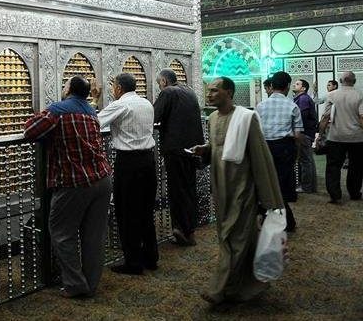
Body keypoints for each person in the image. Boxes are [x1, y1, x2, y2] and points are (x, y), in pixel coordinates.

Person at [191, 77, 285, 305]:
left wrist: (268, 198)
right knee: (232, 236)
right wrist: (205, 150)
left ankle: (220, 287)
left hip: (242, 188)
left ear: (229, 93)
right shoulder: (212, 118)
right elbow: (219, 148)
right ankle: (249, 284)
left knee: (236, 238)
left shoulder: (246, 118)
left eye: (215, 90)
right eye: (208, 90)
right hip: (221, 189)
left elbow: (260, 157)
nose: (209, 94)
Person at [24, 76, 112, 298]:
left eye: (65, 85)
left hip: (75, 181)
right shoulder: (91, 112)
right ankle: (90, 284)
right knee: (94, 235)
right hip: (102, 178)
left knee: (62, 232)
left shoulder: (58, 110)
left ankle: (75, 284)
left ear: (69, 89)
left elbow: (30, 130)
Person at [95, 73, 157, 275]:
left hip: (129, 164)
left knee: (127, 212)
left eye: (113, 86)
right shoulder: (146, 103)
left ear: (119, 88)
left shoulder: (120, 105)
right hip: (148, 160)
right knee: (146, 210)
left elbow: (94, 123)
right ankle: (151, 257)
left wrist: (95, 100)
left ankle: (133, 262)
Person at [153, 69, 204, 246]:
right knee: (189, 189)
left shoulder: (168, 92)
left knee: (177, 191)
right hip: (192, 149)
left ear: (164, 81)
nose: (160, 87)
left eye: (159, 84)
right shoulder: (189, 91)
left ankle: (180, 229)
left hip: (175, 150)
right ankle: (190, 230)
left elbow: (154, 115)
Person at [255, 71, 302, 232]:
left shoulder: (261, 106)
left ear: (271, 85)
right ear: (287, 86)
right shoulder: (292, 106)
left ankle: (268, 215)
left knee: (266, 182)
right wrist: (296, 154)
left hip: (264, 148)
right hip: (285, 148)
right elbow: (297, 135)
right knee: (281, 184)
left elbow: (256, 132)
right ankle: (285, 221)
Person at [319, 71, 363, 203]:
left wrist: (320, 135)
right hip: (357, 138)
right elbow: (362, 118)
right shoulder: (360, 95)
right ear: (354, 81)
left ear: (340, 81)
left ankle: (335, 195)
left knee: (333, 167)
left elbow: (325, 117)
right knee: (356, 167)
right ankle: (354, 193)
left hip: (335, 137)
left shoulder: (332, 95)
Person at [292, 79, 318, 193]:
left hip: (304, 134)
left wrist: (298, 132)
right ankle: (310, 186)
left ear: (303, 88)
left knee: (305, 161)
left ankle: (306, 187)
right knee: (307, 159)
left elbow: (301, 116)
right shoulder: (301, 98)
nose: (294, 85)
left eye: (297, 84)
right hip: (305, 133)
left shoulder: (303, 99)